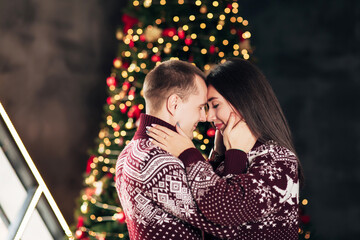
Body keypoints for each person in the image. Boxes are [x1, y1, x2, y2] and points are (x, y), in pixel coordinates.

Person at [147, 58, 303, 240]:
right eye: (206, 106)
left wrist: (189, 154)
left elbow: (225, 211)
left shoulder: (278, 159)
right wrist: (220, 156)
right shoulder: (231, 151)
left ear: (242, 100)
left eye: (215, 105)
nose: (209, 116)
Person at [115, 60, 239, 240]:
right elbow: (226, 223)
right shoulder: (160, 162)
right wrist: (234, 153)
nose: (204, 117)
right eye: (199, 107)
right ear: (174, 104)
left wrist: (217, 156)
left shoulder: (130, 151)